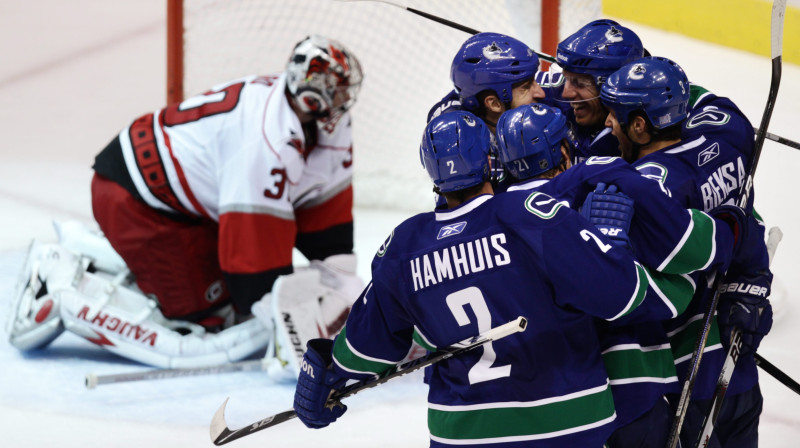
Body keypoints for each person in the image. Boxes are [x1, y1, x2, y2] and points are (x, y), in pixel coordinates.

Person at [289, 110, 731, 446]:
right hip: (564, 424)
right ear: (491, 161)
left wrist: (325, 369)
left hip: (461, 433)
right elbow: (622, 295)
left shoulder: (403, 245)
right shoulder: (529, 216)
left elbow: (364, 350)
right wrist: (686, 281)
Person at [6, 35, 366, 372]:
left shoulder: (323, 123)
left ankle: (112, 259)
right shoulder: (263, 141)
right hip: (137, 201)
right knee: (212, 320)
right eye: (335, 89)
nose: (342, 98)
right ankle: (58, 282)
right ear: (311, 95)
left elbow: (323, 207)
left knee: (239, 299)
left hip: (187, 202)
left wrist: (338, 276)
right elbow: (251, 257)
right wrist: (278, 315)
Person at [601, 56, 773, 447]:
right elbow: (720, 107)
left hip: (691, 366)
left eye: (615, 116)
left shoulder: (652, 187)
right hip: (737, 356)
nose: (609, 126)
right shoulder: (725, 138)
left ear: (640, 127)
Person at [546, 19, 646, 164]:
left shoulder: (642, 131)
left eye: (579, 83)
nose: (565, 93)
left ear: (612, 85)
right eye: (566, 79)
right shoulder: (554, 92)